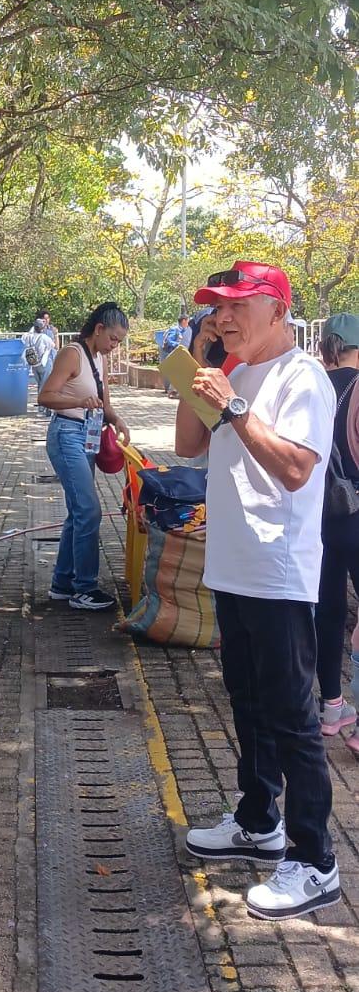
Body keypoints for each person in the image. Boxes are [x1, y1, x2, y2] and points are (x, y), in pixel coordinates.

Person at [177, 261, 338, 920]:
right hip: (232, 567)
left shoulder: (304, 377)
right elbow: (189, 443)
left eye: (237, 305)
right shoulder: (233, 370)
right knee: (245, 701)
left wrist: (235, 407)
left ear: (276, 308)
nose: (224, 316)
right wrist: (198, 365)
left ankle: (315, 860)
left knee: (293, 717)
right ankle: (257, 818)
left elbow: (298, 469)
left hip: (277, 572)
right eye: (216, 307)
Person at [39, 301, 130, 611]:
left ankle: (62, 584)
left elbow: (104, 402)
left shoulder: (98, 359)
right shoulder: (72, 353)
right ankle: (85, 589)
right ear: (99, 329)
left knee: (78, 512)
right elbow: (45, 396)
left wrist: (116, 419)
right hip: (66, 435)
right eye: (114, 339)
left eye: (120, 342)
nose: (115, 346)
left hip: (88, 436)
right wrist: (79, 399)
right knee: (89, 510)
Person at [315, 313, 359, 750]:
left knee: (327, 611)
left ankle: (331, 706)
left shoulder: (313, 386)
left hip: (319, 519)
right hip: (356, 514)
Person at [24, 317, 56, 404]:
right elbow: (53, 345)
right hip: (44, 363)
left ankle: (41, 404)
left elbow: (23, 339)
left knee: (40, 384)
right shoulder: (44, 337)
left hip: (33, 364)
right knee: (45, 384)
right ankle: (44, 405)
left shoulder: (29, 337)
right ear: (42, 328)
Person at [161, 313, 192, 396]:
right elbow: (169, 341)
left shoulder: (184, 330)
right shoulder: (175, 329)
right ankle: (170, 390)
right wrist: (179, 345)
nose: (189, 323)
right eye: (188, 320)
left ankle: (173, 390)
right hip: (169, 353)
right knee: (172, 371)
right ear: (184, 320)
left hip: (177, 353)